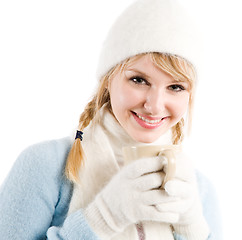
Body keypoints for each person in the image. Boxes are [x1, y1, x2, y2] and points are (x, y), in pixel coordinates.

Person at [0, 0, 222, 239]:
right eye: (139, 80)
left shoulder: (199, 190)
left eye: (176, 86)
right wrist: (102, 219)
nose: (155, 105)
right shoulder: (44, 165)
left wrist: (193, 228)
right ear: (108, 79)